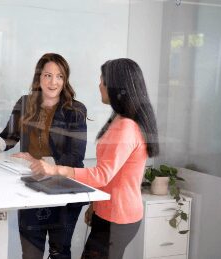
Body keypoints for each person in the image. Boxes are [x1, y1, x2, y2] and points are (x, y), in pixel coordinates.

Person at [17, 58, 159, 259]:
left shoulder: (126, 126)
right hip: (108, 212)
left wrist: (55, 169)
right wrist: (94, 204)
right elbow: (111, 171)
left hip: (118, 216)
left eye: (103, 80)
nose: (99, 85)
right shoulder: (119, 119)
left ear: (117, 86)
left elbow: (102, 174)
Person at [0, 53, 88, 259]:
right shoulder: (25, 103)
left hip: (64, 186)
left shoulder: (75, 110)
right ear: (39, 77)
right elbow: (9, 139)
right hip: (32, 186)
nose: (53, 82)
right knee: (31, 252)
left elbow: (75, 156)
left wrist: (39, 162)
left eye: (59, 76)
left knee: (59, 252)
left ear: (65, 79)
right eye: (48, 75)